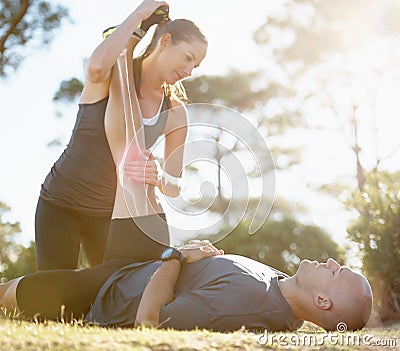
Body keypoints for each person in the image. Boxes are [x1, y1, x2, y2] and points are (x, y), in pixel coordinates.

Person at [34, 0, 208, 270]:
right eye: (187, 57)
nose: (189, 72)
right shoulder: (115, 73)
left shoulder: (174, 112)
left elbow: (176, 185)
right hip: (61, 202)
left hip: (108, 216)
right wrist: (137, 16)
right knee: (52, 301)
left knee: (108, 298)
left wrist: (159, 176)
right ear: (165, 41)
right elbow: (94, 68)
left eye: (195, 66)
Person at [0, 245, 372, 332]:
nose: (332, 263)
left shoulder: (245, 305)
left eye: (337, 274)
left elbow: (149, 321)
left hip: (96, 297)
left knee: (6, 296)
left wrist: (175, 256)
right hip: (121, 273)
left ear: (322, 301)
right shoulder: (282, 288)